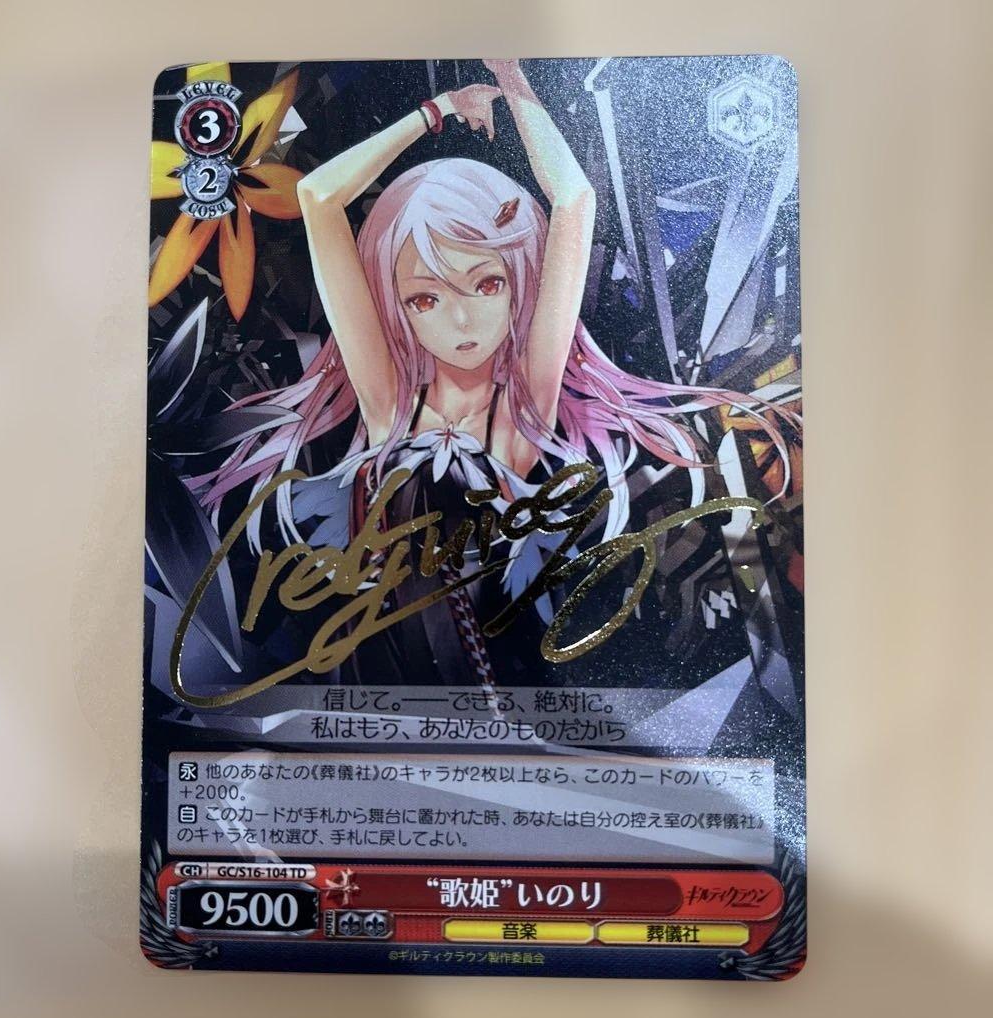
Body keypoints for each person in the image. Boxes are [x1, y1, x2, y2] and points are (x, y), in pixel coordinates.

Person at [194, 60, 797, 688]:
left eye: (486, 284)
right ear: (396, 307)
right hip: (376, 663)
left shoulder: (522, 406)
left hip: (501, 666)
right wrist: (439, 110)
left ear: (520, 282)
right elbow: (318, 197)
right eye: (424, 298)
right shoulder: (391, 402)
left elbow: (574, 200)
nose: (460, 320)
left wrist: (514, 82)